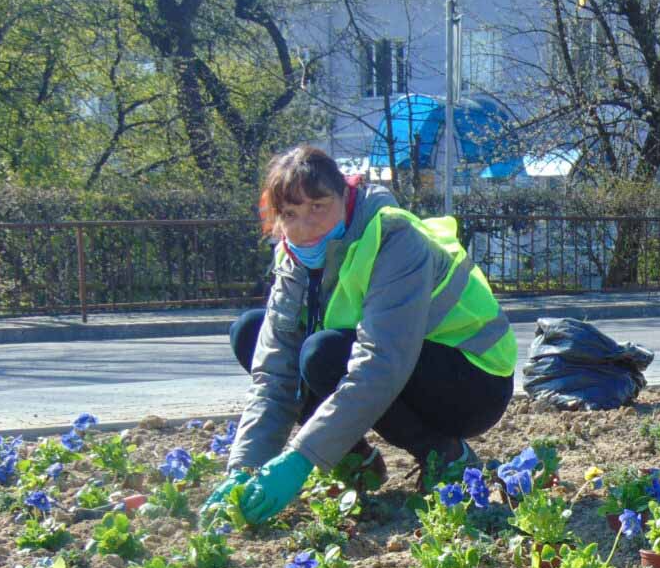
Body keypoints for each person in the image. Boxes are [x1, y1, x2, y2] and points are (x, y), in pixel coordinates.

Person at [204, 145, 518, 524]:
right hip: (400, 367)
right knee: (250, 333)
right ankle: (355, 459)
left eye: (317, 207)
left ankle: (444, 455)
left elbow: (381, 364)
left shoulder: (392, 237)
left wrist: (301, 458)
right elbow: (274, 373)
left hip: (470, 380)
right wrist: (244, 466)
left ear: (345, 196)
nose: (304, 229)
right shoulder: (293, 257)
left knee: (322, 355)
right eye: (289, 214)